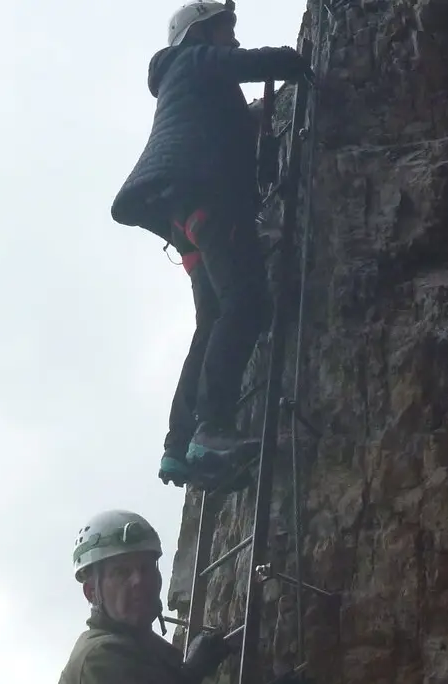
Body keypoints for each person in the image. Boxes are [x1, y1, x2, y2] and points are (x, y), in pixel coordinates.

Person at [109, 0, 314, 492]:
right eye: (227, 29)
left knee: (211, 320)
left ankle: (178, 445)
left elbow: (218, 121)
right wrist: (293, 59)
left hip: (181, 214)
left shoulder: (188, 87)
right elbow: (245, 65)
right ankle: (213, 430)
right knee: (247, 304)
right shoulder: (193, 61)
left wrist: (255, 116)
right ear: (201, 33)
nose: (234, 40)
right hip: (208, 200)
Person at [59, 509, 234, 684]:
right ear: (91, 592)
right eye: (122, 572)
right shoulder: (98, 657)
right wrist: (191, 673)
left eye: (146, 568)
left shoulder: (141, 647)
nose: (138, 580)